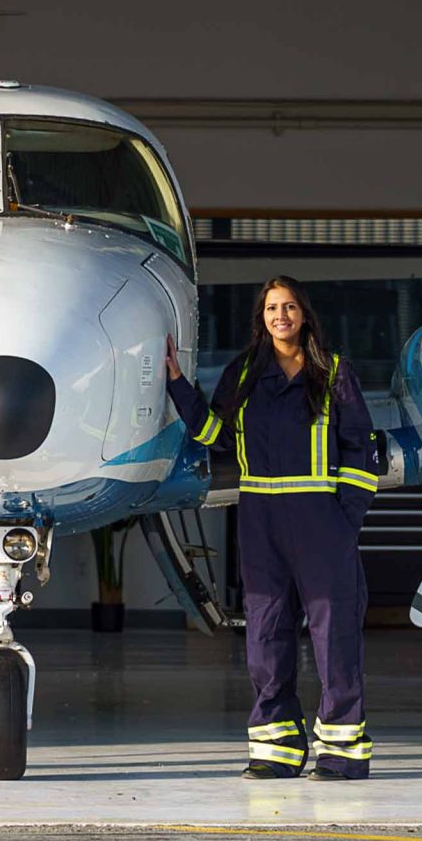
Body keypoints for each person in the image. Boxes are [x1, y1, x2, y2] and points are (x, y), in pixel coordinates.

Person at [165, 277, 379, 780]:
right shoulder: (243, 372)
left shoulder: (334, 371)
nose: (279, 315)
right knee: (265, 633)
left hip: (320, 518)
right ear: (261, 317)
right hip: (260, 518)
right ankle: (275, 748)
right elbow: (215, 434)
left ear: (304, 313)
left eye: (288, 306)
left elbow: (360, 450)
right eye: (270, 308)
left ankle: (342, 753)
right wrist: (178, 384)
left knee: (335, 636)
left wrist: (345, 520)